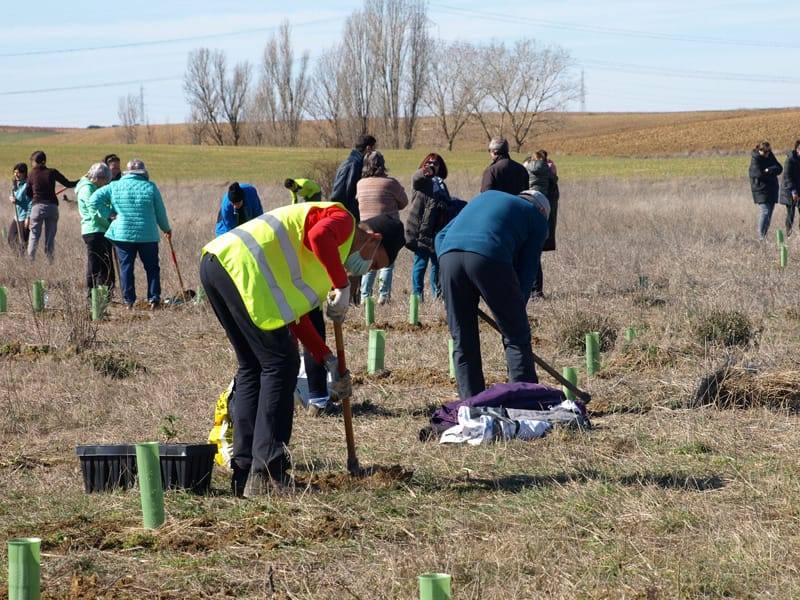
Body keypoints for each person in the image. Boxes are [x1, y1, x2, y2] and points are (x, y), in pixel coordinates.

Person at [199, 200, 405, 496]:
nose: (367, 270)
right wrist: (343, 286)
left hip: (218, 263)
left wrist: (326, 358)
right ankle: (269, 472)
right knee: (280, 364)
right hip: (241, 268)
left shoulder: (324, 263)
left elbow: (293, 314)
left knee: (253, 366)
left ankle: (243, 473)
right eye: (374, 263)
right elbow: (319, 236)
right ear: (373, 240)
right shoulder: (343, 220)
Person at [436, 189, 550, 400]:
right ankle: (524, 402)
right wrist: (514, 314)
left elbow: (440, 235)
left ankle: (472, 404)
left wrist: (449, 276)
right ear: (542, 210)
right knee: (516, 336)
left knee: (462, 337)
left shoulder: (486, 197)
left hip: (448, 257)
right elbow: (527, 271)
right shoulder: (537, 218)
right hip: (489, 256)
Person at [91, 159, 172, 310]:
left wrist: (108, 213)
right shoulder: (150, 187)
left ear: (127, 172)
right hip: (148, 235)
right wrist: (166, 228)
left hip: (123, 235)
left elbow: (94, 200)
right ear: (144, 172)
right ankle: (154, 299)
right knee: (152, 268)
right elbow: (160, 211)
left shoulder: (115, 186)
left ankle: (129, 301)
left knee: (126, 267)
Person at [355, 151, 408, 304]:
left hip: (366, 229)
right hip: (388, 227)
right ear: (382, 165)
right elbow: (404, 202)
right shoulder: (390, 183)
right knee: (387, 263)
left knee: (368, 262)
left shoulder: (360, 184)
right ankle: (383, 296)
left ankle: (365, 297)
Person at [331, 134, 377, 305]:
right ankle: (347, 299)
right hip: (346, 216)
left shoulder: (350, 161)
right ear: (368, 148)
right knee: (351, 260)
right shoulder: (355, 163)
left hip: (344, 214)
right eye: (372, 149)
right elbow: (346, 192)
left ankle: (349, 297)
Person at [405, 153, 452, 301]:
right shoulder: (422, 181)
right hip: (421, 230)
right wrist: (425, 172)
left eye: (436, 163)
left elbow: (447, 203)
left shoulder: (441, 184)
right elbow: (416, 178)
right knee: (420, 264)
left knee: (437, 265)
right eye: (429, 162)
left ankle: (437, 295)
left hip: (437, 230)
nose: (432, 165)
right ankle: (417, 297)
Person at [25, 150, 78, 262]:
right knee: (50, 239)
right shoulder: (52, 172)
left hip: (37, 208)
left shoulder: (31, 174)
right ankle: (50, 262)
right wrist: (81, 180)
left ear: (35, 161)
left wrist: (34, 195)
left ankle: (30, 262)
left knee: (34, 237)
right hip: (52, 208)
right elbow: (68, 183)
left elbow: (27, 193)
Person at [524, 149, 560, 298]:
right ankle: (537, 291)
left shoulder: (525, 168)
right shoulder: (548, 171)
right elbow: (554, 192)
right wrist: (554, 173)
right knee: (535, 253)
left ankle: (528, 289)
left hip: (528, 208)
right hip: (543, 211)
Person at [77, 163, 115, 297]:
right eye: (105, 181)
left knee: (105, 265)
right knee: (95, 265)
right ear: (99, 178)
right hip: (94, 230)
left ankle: (105, 294)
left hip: (100, 230)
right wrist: (110, 224)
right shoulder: (87, 189)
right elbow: (94, 213)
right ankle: (92, 294)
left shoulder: (93, 187)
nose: (106, 184)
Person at [749, 141, 783, 241]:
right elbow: (759, 175)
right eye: (765, 152)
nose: (767, 154)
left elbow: (779, 168)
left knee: (769, 214)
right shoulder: (755, 159)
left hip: (772, 189)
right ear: (760, 150)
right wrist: (772, 173)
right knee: (765, 211)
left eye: (768, 152)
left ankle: (764, 235)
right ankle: (761, 237)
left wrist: (768, 170)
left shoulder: (770, 156)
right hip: (760, 190)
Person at [7, 163, 31, 253]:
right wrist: (12, 197)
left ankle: (22, 261)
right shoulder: (17, 184)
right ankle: (17, 257)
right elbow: (15, 195)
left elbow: (30, 203)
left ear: (24, 173)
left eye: (18, 173)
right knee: (10, 239)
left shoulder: (28, 186)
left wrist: (28, 218)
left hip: (24, 217)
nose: (16, 174)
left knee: (23, 242)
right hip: (17, 217)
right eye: (14, 172)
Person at [780, 140, 800, 236]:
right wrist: (793, 191)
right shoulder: (790, 160)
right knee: (791, 214)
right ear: (797, 150)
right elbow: (787, 177)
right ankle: (788, 234)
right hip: (789, 191)